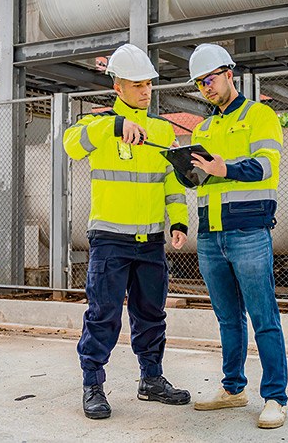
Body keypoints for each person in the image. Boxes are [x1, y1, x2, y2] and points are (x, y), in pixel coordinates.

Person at [63, 43, 191, 420]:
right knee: (103, 315)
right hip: (109, 241)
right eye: (137, 85)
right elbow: (71, 145)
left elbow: (171, 182)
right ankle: (93, 384)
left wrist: (178, 221)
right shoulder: (99, 125)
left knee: (151, 314)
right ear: (117, 87)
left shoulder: (162, 130)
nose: (146, 91)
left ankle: (151, 380)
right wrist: (116, 126)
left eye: (148, 84)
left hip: (150, 242)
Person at [176, 43, 288, 429]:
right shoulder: (203, 128)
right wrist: (182, 167)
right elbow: (200, 181)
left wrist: (226, 168)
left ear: (228, 74)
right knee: (227, 318)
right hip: (211, 235)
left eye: (209, 79)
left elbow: (266, 167)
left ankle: (275, 397)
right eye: (199, 83)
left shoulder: (260, 116)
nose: (205, 87)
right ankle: (233, 388)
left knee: (263, 316)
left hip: (248, 230)